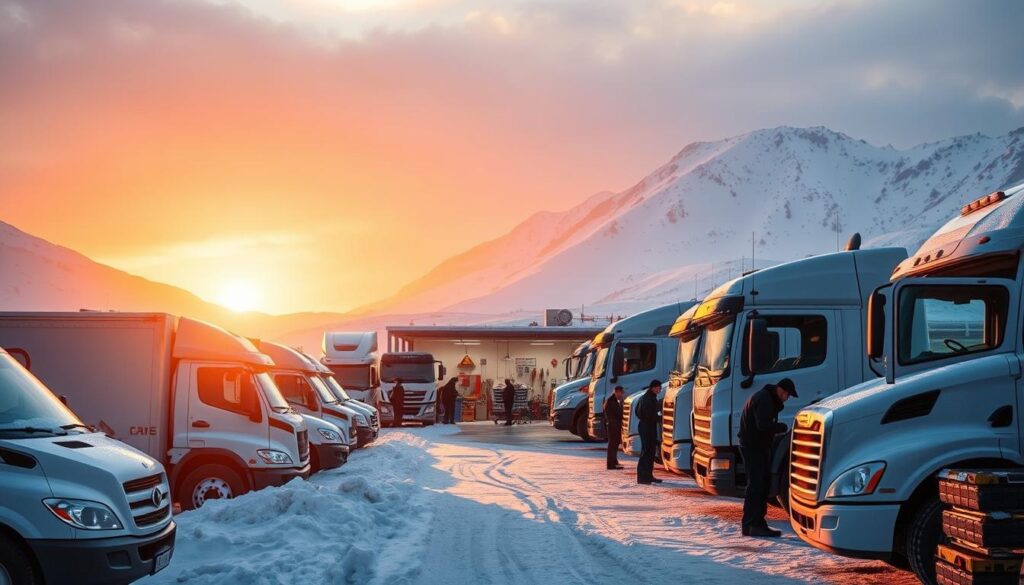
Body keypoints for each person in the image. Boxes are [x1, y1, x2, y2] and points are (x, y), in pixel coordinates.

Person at [738, 377, 797, 538]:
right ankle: (752, 523)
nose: (787, 398)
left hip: (754, 446)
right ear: (781, 390)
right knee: (757, 485)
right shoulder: (765, 400)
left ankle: (754, 523)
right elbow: (762, 426)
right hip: (754, 447)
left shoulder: (765, 397)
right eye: (787, 394)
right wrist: (779, 427)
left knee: (759, 485)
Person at [635, 380, 663, 485]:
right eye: (658, 388)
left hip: (647, 426)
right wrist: (659, 418)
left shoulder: (647, 397)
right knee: (646, 452)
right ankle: (642, 477)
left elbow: (637, 411)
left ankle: (648, 475)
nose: (659, 390)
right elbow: (649, 415)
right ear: (653, 387)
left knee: (650, 452)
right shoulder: (648, 399)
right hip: (647, 427)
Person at [604, 386, 625, 470]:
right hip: (613, 426)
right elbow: (618, 414)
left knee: (614, 445)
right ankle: (611, 464)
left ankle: (614, 462)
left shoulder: (613, 401)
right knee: (612, 445)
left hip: (614, 425)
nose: (622, 394)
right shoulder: (611, 402)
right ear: (616, 392)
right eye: (621, 392)